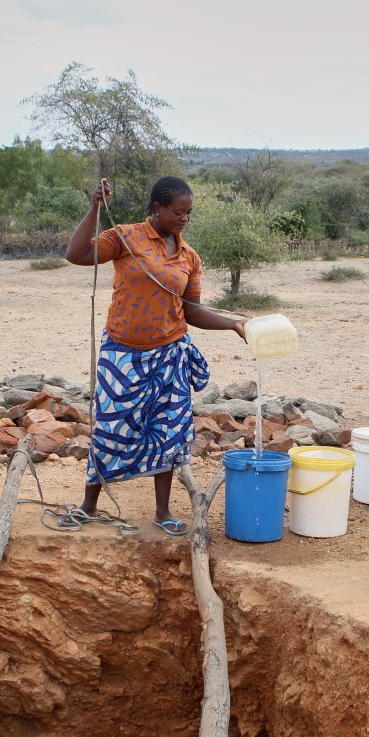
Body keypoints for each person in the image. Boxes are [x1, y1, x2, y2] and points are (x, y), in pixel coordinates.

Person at [65, 176, 245, 536]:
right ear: (157, 208)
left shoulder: (189, 257)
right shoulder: (125, 238)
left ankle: (162, 511)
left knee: (168, 433)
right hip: (122, 355)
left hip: (170, 356)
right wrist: (95, 207)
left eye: (189, 213)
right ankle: (89, 505)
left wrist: (232, 324)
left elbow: (191, 311)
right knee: (110, 429)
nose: (185, 219)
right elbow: (77, 255)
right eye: (179, 212)